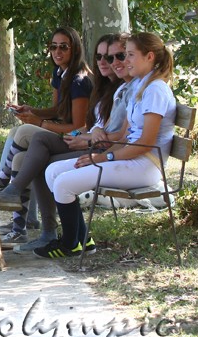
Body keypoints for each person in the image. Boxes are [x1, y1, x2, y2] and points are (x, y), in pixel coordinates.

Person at [0, 33, 132, 252]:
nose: (108, 62)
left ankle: (10, 189)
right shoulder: (105, 86)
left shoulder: (89, 83)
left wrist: (49, 125)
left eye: (119, 56)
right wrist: (39, 115)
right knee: (22, 151)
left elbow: (119, 135)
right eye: (100, 57)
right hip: (87, 141)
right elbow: (90, 124)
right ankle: (23, 222)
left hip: (105, 152)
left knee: (30, 139)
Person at [37, 32, 176, 259]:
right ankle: (81, 239)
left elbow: (144, 143)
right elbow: (125, 136)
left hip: (145, 165)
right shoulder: (140, 87)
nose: (125, 61)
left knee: (63, 183)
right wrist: (99, 154)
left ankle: (70, 245)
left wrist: (103, 158)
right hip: (129, 158)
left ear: (149, 57)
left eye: (130, 55)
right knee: (53, 171)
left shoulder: (156, 90)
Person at [0, 26, 92, 242]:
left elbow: (78, 126)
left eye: (64, 47)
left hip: (77, 141)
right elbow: (58, 111)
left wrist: (40, 122)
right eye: (53, 47)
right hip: (63, 137)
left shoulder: (80, 80)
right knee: (20, 156)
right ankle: (21, 228)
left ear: (75, 49)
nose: (57, 51)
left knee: (25, 131)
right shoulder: (60, 73)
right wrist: (32, 111)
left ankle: (1, 181)